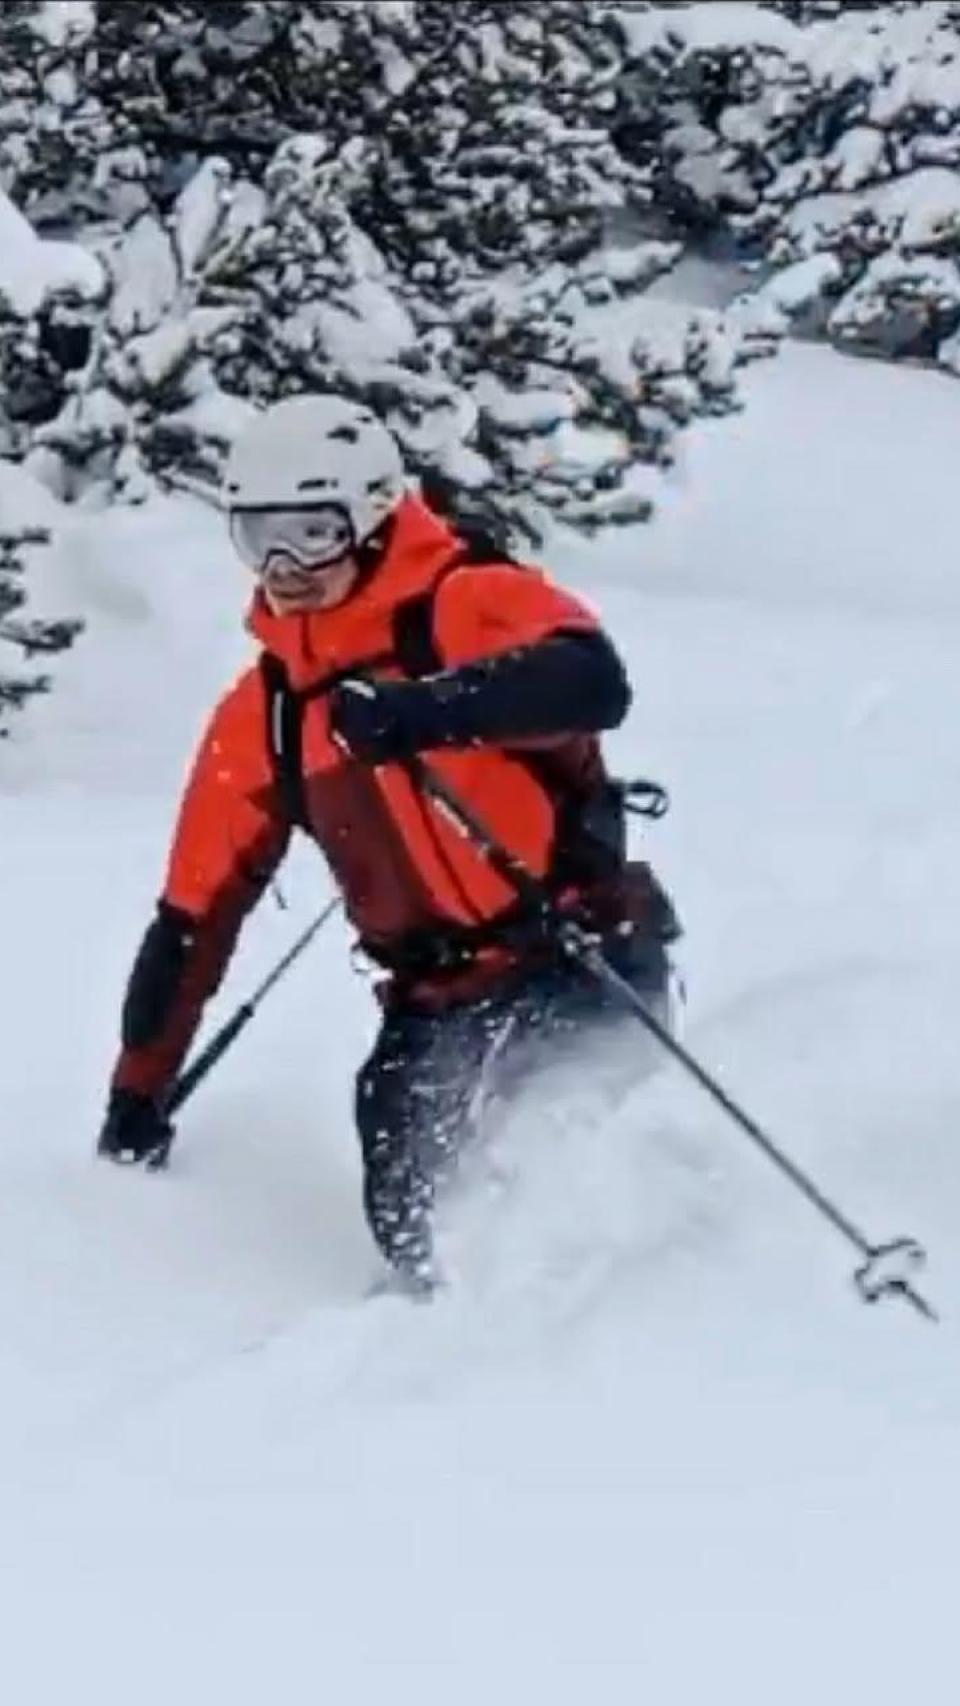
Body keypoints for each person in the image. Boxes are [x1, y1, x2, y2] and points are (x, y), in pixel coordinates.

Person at [98, 395, 679, 1290]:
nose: (284, 566)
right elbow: (192, 919)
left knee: (576, 1154)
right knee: (415, 1213)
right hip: (436, 994)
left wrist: (424, 711)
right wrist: (137, 1094)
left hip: (577, 949)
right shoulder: (269, 719)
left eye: (311, 532)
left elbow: (590, 681)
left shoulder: (468, 603)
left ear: (370, 519)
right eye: (258, 538)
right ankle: (437, 1371)